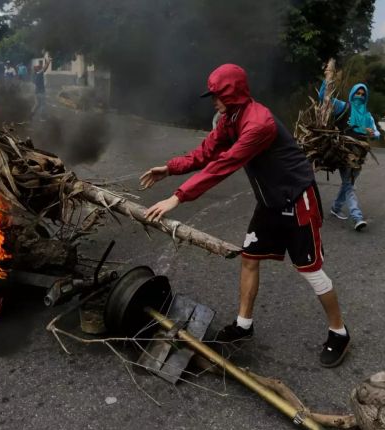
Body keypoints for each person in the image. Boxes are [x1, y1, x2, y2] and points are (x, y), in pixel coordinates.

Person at [141, 64, 351, 368]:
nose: (213, 101)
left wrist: (178, 197)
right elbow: (206, 152)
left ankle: (339, 332)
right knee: (250, 258)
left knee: (309, 270)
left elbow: (224, 164)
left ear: (233, 94)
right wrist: (170, 168)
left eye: (217, 95)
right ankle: (243, 325)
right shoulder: (231, 119)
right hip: (269, 202)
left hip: (296, 200)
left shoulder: (259, 124)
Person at [317, 70, 380, 231]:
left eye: (362, 94)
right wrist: (327, 80)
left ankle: (336, 208)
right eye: (357, 93)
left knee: (348, 183)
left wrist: (373, 133)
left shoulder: (367, 115)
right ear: (352, 94)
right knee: (349, 184)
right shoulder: (343, 106)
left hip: (360, 154)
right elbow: (324, 98)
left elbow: (376, 132)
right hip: (344, 151)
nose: (359, 96)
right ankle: (357, 216)